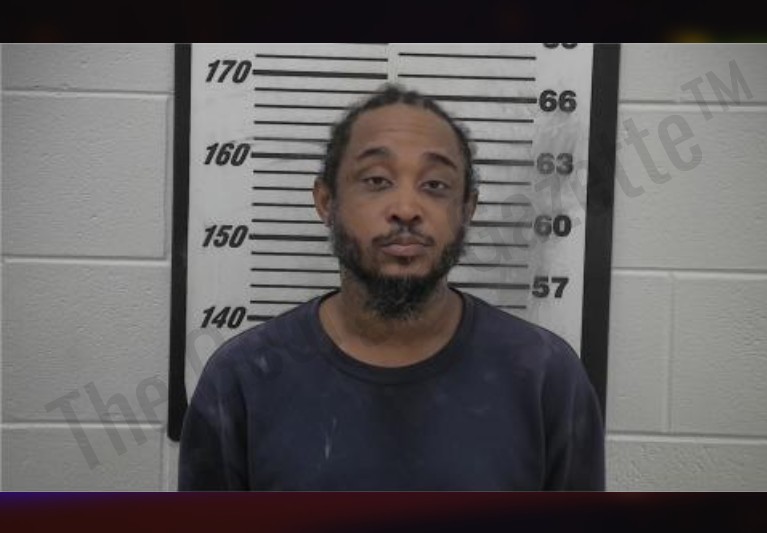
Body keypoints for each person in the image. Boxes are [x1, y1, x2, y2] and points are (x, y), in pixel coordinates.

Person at [178, 83, 605, 490]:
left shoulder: (547, 378)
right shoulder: (240, 381)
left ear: (467, 209)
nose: (405, 208)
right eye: (377, 180)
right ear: (326, 202)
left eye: (435, 185)